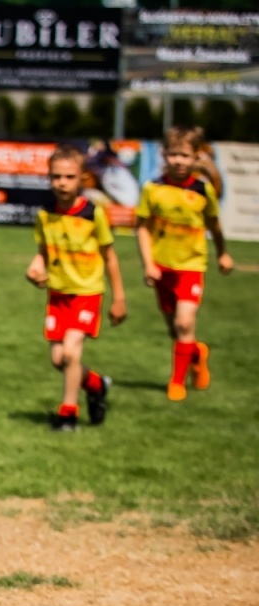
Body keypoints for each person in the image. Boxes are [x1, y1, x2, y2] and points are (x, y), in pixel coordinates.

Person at [24, 144, 125, 431]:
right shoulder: (46, 214)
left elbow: (110, 258)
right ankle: (96, 384)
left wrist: (119, 298)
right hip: (58, 294)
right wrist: (35, 268)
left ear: (82, 178)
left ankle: (68, 413)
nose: (62, 183)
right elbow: (43, 251)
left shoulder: (94, 214)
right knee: (59, 359)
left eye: (69, 177)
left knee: (70, 353)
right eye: (56, 177)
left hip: (87, 293)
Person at [134, 126, 236, 401]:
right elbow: (142, 228)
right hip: (162, 268)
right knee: (175, 329)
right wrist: (148, 264)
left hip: (191, 267)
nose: (179, 161)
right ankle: (197, 353)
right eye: (174, 154)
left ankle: (176, 383)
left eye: (186, 155)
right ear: (164, 155)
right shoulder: (153, 189)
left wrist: (222, 253)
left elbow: (214, 225)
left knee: (184, 323)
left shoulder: (203, 190)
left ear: (196, 158)